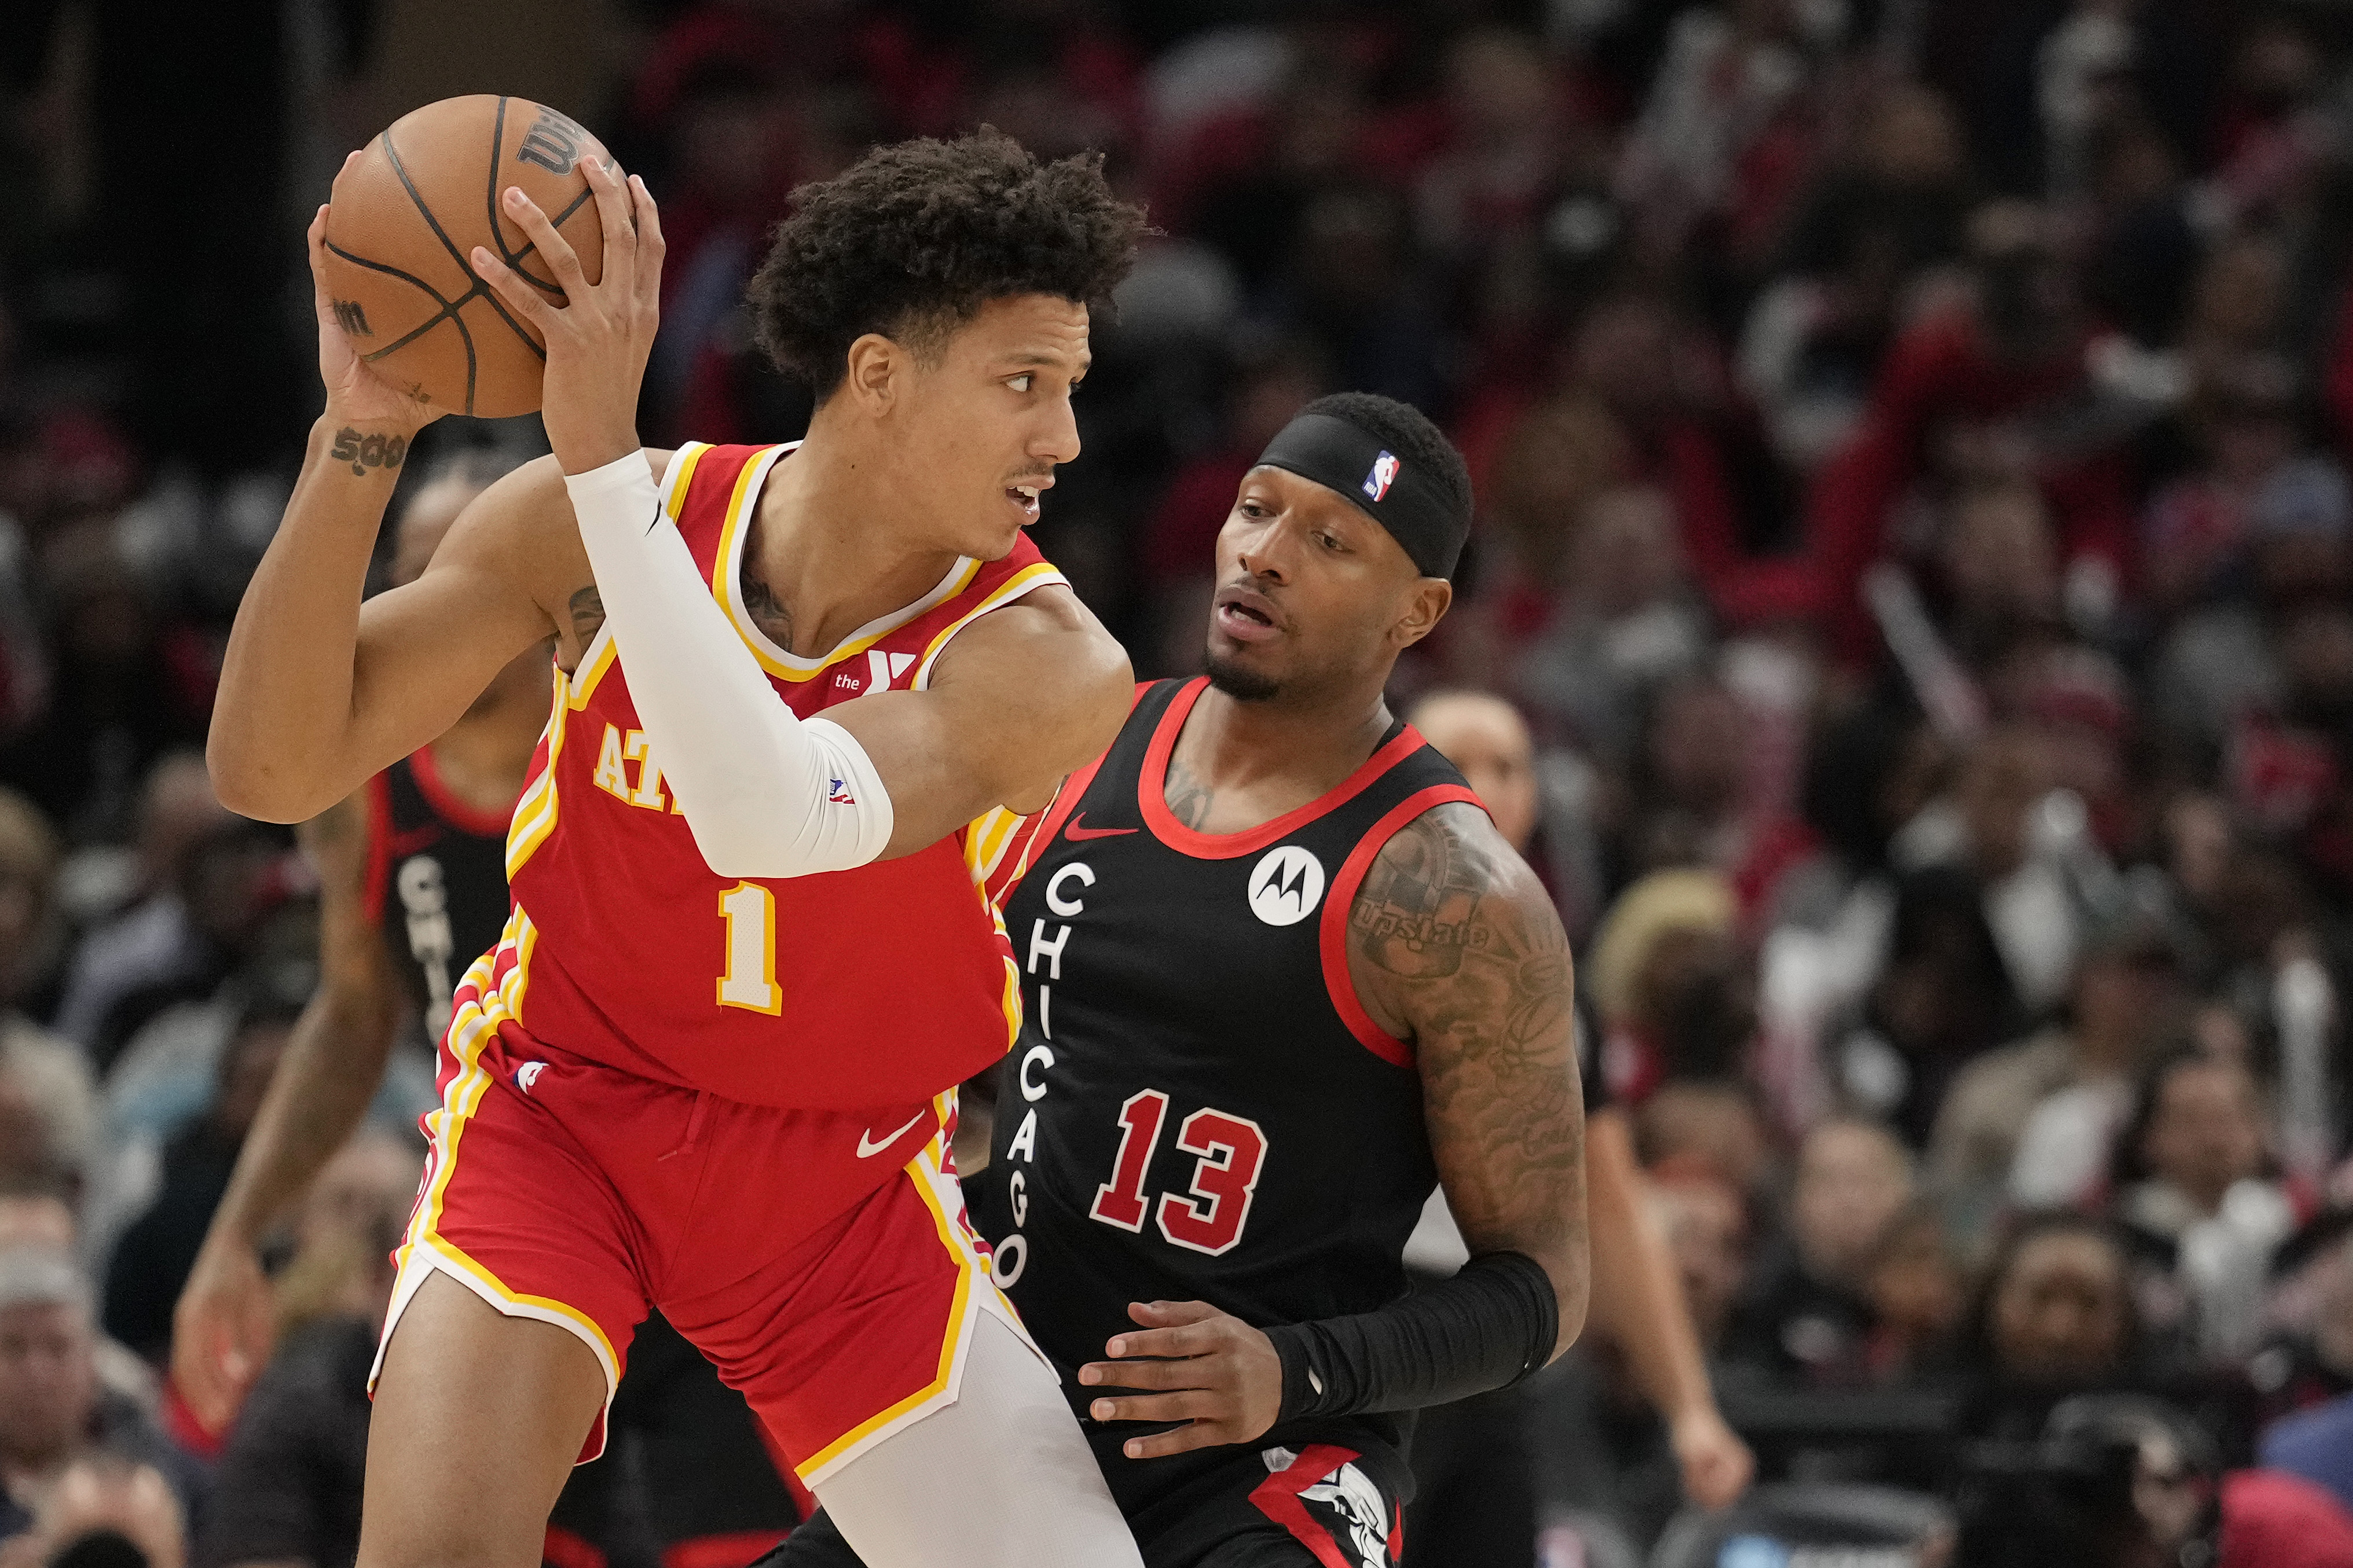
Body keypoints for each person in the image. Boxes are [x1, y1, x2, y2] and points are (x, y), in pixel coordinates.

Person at [206, 130, 1150, 1568]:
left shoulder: (1045, 658)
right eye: (1026, 383)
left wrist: (599, 471)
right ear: (880, 375)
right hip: (566, 1109)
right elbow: (269, 766)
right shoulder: (596, 522)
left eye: (1070, 389)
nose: (1064, 438)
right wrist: (365, 431)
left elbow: (767, 814)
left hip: (837, 1188)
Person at [770, 392, 1590, 1568]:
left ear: (1419, 610)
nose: (1264, 553)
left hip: (1263, 1459)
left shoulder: (1452, 893)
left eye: (1328, 541)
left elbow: (1542, 1289)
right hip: (1002, 1400)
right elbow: (981, 1070)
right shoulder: (1076, 739)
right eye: (1257, 511)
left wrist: (1295, 1368)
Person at [174, 456, 803, 1568]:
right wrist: (236, 1231)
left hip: (707, 1226)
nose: (433, 601)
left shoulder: (650, 733)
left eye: (458, 566)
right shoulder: (359, 791)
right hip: (529, 1222)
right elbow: (355, 1010)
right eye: (411, 572)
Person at [1406, 689, 1754, 1508]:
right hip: (1367, 1325)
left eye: (1511, 766)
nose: (1489, 785)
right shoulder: (1329, 929)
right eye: (1461, 759)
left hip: (1501, 1341)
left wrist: (1691, 1408)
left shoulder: (1554, 975)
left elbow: (1611, 1200)